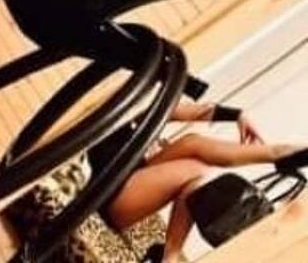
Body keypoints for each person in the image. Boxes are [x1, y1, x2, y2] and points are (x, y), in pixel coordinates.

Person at [88, 101, 308, 263]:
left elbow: (176, 109)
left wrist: (238, 114)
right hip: (105, 193)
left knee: (194, 148)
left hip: (122, 180)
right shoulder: (109, 96)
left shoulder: (140, 100)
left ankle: (279, 154)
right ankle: (279, 155)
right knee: (197, 170)